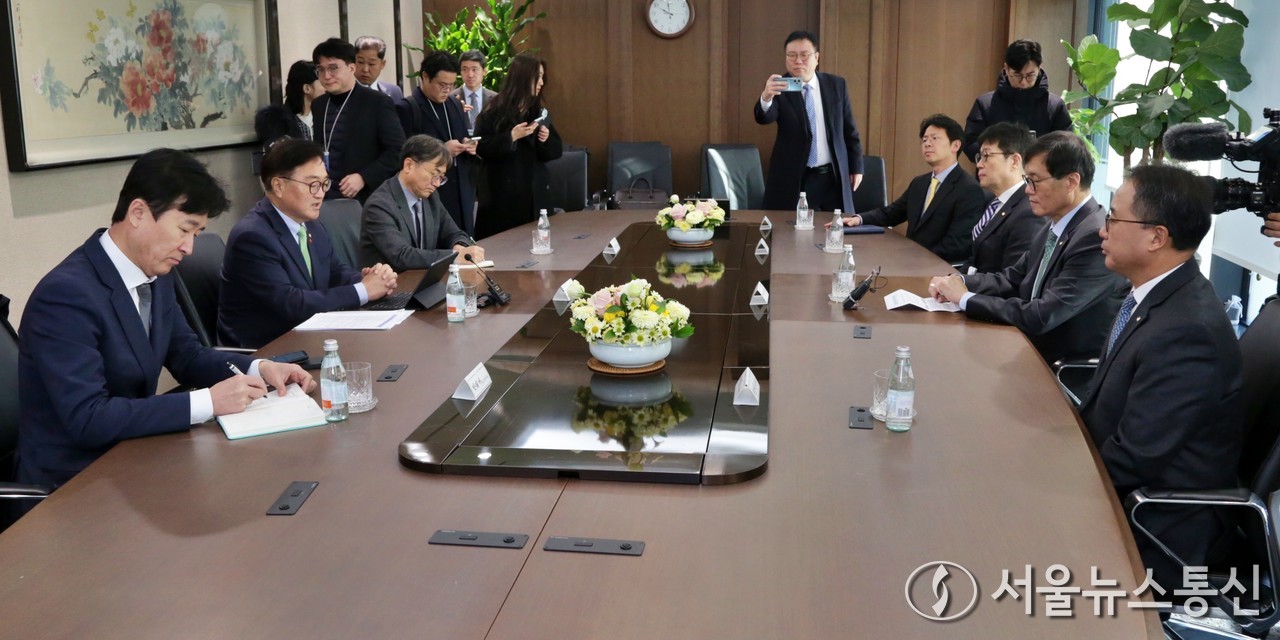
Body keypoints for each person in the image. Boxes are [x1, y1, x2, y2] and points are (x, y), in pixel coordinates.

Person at [16, 149, 315, 490]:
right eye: (184, 230)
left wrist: (259, 369)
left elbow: (187, 355)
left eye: (196, 234)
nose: (188, 248)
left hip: (136, 455)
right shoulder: (66, 296)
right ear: (138, 213)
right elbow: (88, 419)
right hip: (73, 484)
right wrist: (208, 402)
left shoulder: (156, 275)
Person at [1082, 164, 1243, 590]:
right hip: (1122, 490)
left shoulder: (1187, 331)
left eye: (1114, 218)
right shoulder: (1157, 295)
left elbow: (1134, 458)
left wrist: (1045, 480)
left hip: (1156, 525)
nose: (1102, 229)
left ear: (1156, 237)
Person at [930, 131, 1126, 365]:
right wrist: (958, 281)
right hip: (1027, 347)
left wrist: (965, 298)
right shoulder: (1056, 224)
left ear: (1071, 182)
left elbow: (1042, 315)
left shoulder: (1094, 238)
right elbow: (1012, 278)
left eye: (1035, 181)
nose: (1027, 190)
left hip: (1058, 366)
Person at [218, 139, 399, 349]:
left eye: (324, 184)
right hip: (267, 350)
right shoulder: (252, 237)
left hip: (309, 337)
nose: (320, 193)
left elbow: (335, 273)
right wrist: (363, 290)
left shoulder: (312, 225)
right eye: (312, 184)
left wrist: (371, 280)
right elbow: (291, 304)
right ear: (278, 186)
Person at [845, 114, 986, 263]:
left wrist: (914, 258)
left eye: (934, 138)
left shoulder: (969, 189)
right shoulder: (920, 183)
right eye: (924, 140)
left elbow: (956, 245)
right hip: (911, 262)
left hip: (938, 267)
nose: (927, 144)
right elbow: (892, 213)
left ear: (955, 145)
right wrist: (859, 219)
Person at [755, 30, 863, 213]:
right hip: (796, 177)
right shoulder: (781, 86)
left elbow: (849, 130)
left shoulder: (835, 85)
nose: (798, 61)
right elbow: (764, 117)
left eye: (804, 55)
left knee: (839, 226)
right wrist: (766, 97)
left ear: (816, 58)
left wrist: (857, 166)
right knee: (790, 227)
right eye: (792, 55)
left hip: (833, 175)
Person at [361, 135, 486, 270]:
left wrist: (460, 247)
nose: (437, 183)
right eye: (434, 174)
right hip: (394, 280)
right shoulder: (380, 205)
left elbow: (454, 233)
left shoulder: (430, 197)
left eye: (441, 178)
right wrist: (454, 256)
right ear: (409, 165)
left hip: (424, 278)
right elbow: (401, 256)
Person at [473, 53, 563, 239]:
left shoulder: (538, 111)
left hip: (535, 196)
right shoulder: (494, 110)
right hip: (503, 198)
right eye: (537, 77)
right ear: (523, 77)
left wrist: (545, 139)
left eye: (542, 77)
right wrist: (511, 137)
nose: (541, 82)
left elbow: (556, 151)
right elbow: (481, 146)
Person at [311, 37, 406, 203]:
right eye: (321, 69)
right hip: (325, 194)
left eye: (333, 68)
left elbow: (398, 150)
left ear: (351, 68)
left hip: (364, 197)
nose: (326, 75)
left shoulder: (377, 102)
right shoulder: (319, 104)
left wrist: (364, 177)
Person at [399, 51, 478, 237]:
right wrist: (443, 150)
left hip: (461, 191)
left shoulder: (455, 104)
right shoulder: (408, 108)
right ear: (425, 77)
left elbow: (462, 136)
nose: (447, 90)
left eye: (451, 85)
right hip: (431, 192)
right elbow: (404, 155)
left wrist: (469, 145)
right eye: (442, 85)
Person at [963, 39, 1073, 163]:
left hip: (1040, 173)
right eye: (1017, 75)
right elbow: (970, 143)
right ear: (1006, 68)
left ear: (1039, 68)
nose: (1023, 82)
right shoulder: (985, 104)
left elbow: (1067, 147)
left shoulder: (1054, 106)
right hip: (995, 172)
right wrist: (998, 155)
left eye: (1030, 75)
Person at [961, 122, 1044, 274]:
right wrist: (954, 279)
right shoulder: (994, 202)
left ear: (1014, 161)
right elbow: (975, 258)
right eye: (980, 157)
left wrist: (963, 284)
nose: (979, 164)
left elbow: (1013, 278)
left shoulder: (1029, 211)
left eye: (986, 156)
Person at [254, 60, 323, 144]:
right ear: (307, 88)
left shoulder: (324, 116)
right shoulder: (279, 123)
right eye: (322, 81)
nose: (327, 85)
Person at [451, 50, 498, 133]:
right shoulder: (451, 98)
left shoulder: (496, 99)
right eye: (465, 69)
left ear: (484, 71)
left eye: (474, 69)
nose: (470, 75)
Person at [353, 35, 404, 102]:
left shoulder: (394, 92)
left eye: (371, 64)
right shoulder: (343, 92)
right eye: (360, 62)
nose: (365, 70)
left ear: (382, 64)